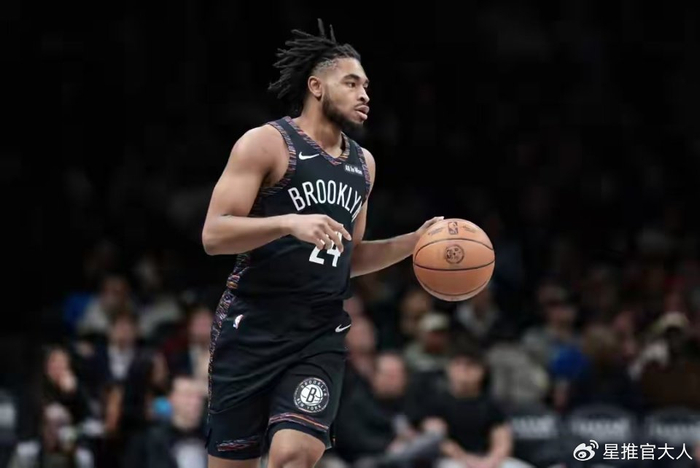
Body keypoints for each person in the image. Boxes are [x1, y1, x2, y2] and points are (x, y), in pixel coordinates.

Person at [201, 18, 442, 468]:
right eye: (351, 83)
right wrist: (288, 223)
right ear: (316, 86)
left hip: (318, 332)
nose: (364, 94)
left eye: (366, 86)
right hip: (252, 326)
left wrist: (413, 243)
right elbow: (214, 234)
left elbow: (349, 256)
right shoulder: (267, 143)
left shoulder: (363, 165)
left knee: (295, 454)